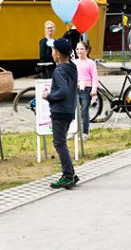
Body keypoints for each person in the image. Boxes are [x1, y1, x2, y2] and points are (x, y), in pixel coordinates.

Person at [42, 38, 79, 189]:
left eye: (52, 50)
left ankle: (68, 175)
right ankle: (70, 173)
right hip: (69, 110)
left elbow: (62, 90)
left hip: (60, 111)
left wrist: (49, 96)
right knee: (61, 142)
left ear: (57, 53)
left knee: (59, 143)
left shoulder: (59, 71)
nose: (52, 52)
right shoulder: (72, 67)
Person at [73, 41, 98, 139]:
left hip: (87, 89)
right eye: (77, 49)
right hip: (76, 88)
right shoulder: (74, 63)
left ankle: (85, 132)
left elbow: (95, 77)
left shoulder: (91, 63)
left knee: (84, 110)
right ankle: (74, 131)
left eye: (81, 49)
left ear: (87, 50)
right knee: (74, 110)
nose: (79, 51)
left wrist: (94, 89)